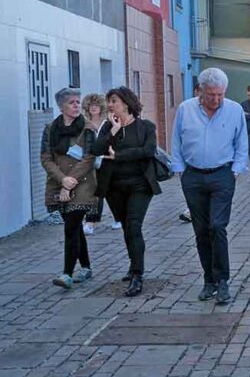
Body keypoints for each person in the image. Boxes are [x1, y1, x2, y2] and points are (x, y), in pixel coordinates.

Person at [171, 68, 249, 305]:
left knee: (218, 226)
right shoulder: (186, 109)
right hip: (193, 176)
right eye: (211, 94)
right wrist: (180, 171)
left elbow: (241, 143)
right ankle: (209, 280)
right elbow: (176, 141)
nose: (216, 100)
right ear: (201, 91)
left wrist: (235, 171)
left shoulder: (234, 110)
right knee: (201, 230)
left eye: (220, 95)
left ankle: (223, 280)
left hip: (222, 175)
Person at [93, 86, 161, 297]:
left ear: (126, 102)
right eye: (109, 101)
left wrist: (119, 155)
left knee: (134, 225)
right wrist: (112, 132)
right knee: (126, 228)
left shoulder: (145, 127)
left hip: (140, 185)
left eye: (114, 101)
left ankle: (138, 275)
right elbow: (96, 150)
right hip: (114, 186)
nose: (110, 105)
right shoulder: (107, 127)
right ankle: (133, 265)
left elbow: (148, 151)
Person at [41, 87, 98, 289]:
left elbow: (89, 158)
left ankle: (67, 273)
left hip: (82, 184)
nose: (76, 105)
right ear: (61, 106)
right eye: (71, 102)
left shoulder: (87, 128)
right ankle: (86, 267)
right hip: (59, 183)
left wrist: (70, 180)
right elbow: (46, 158)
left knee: (71, 226)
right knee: (74, 229)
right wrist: (62, 179)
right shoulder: (50, 129)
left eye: (77, 101)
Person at [81, 93, 108, 235]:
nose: (93, 108)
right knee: (93, 191)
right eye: (91, 105)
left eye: (96, 105)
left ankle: (118, 217)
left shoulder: (107, 123)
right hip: (89, 162)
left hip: (106, 161)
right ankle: (90, 222)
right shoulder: (84, 123)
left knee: (105, 191)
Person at [179, 82, 202, 223]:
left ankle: (194, 211)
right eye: (200, 91)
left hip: (207, 159)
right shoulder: (186, 108)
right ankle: (191, 210)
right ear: (195, 92)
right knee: (192, 188)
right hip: (189, 157)